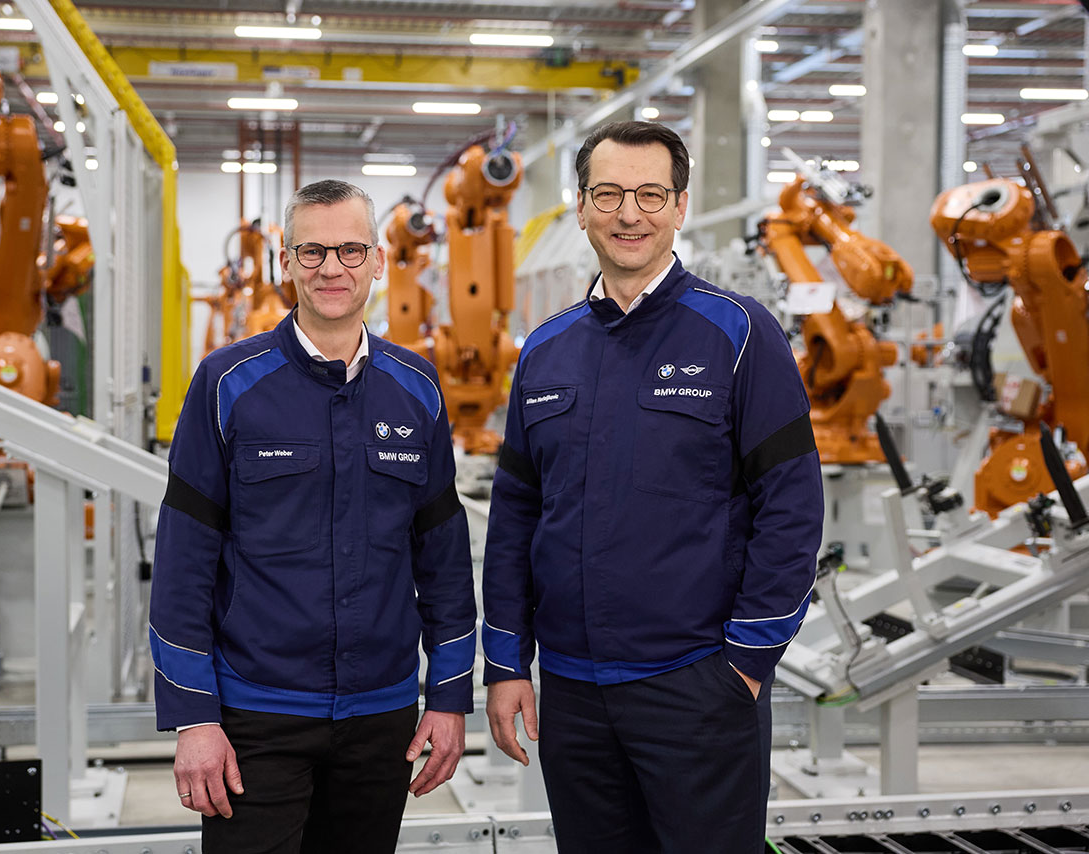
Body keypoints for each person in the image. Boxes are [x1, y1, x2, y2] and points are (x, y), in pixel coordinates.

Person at [482, 120, 824, 853]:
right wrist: (506, 663)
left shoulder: (738, 333)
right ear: (580, 207)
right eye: (608, 194)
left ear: (679, 206)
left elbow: (792, 508)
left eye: (648, 194)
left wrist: (747, 665)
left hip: (697, 686)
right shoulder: (545, 350)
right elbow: (515, 516)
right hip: (573, 696)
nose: (628, 214)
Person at [150, 179, 476, 854]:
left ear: (379, 260)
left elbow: (442, 559)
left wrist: (447, 697)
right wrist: (192, 718)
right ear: (286, 262)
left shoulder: (417, 389)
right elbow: (183, 561)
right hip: (256, 718)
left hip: (381, 716)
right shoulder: (228, 383)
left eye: (352, 250)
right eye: (314, 251)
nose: (333, 268)